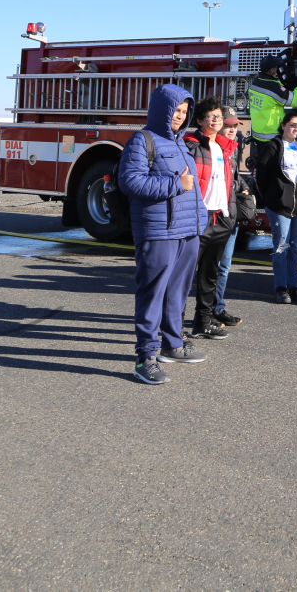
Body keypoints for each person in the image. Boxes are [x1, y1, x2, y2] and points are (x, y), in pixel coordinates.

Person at [118, 83, 206, 385]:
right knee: (152, 294)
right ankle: (145, 357)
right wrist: (174, 185)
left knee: (177, 293)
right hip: (158, 232)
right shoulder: (141, 141)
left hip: (187, 232)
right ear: (161, 110)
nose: (179, 117)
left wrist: (200, 220)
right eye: (175, 111)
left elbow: (191, 189)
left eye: (184, 112)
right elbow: (130, 182)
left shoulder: (183, 144)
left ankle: (172, 343)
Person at [254, 108, 297, 303]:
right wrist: (270, 198)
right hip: (279, 206)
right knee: (281, 248)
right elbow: (261, 174)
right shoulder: (274, 146)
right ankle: (281, 288)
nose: (295, 129)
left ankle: (294, 287)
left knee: (295, 248)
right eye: (291, 125)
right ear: (283, 125)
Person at [182, 97, 238, 340]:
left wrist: (230, 214)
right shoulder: (190, 145)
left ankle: (202, 322)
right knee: (183, 276)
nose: (216, 119)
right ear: (199, 120)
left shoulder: (225, 147)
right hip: (198, 218)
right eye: (211, 115)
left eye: (218, 115)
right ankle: (172, 327)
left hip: (220, 218)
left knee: (209, 274)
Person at [208, 106, 249, 327]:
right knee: (209, 267)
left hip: (229, 216)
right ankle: (205, 314)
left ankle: (218, 308)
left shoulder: (231, 149)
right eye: (228, 125)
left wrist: (243, 187)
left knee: (223, 266)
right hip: (213, 217)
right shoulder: (209, 148)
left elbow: (234, 175)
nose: (232, 129)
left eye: (235, 125)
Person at [247, 55, 297, 143]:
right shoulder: (273, 86)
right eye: (276, 67)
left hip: (258, 134)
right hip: (272, 136)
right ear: (272, 70)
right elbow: (293, 100)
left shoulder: (256, 82)